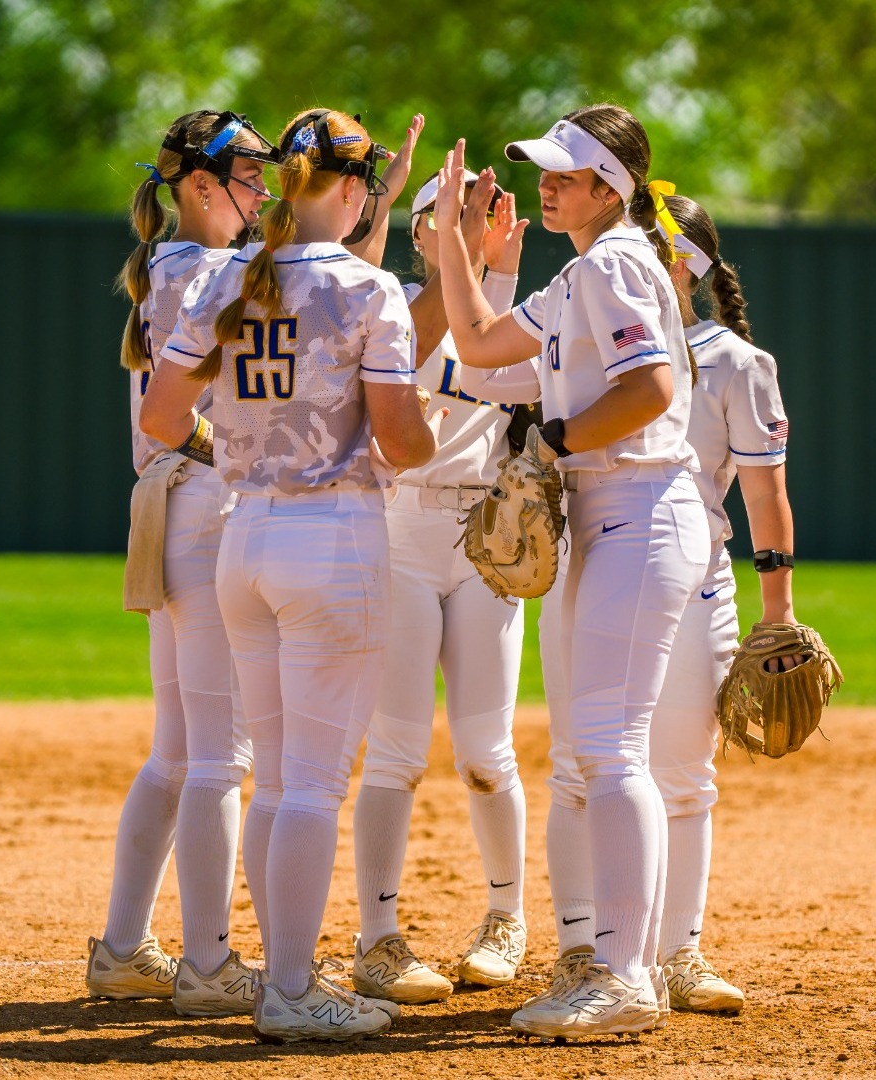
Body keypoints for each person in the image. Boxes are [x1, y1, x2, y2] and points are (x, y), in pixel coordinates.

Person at [141, 107, 438, 1044]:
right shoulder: (368, 288)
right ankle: (294, 989)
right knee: (309, 785)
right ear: (351, 190)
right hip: (332, 538)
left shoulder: (226, 273)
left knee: (272, 783)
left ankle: (281, 975)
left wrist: (241, 443)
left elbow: (158, 418)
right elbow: (399, 438)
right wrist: (429, 427)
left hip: (243, 539)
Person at [430, 104, 709, 1039]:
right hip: (603, 512)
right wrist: (457, 246)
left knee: (609, 746)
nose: (544, 184)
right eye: (543, 171)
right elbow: (473, 346)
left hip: (636, 504)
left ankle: (625, 975)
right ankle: (616, 960)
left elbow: (654, 387)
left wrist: (550, 443)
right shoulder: (582, 273)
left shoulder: (619, 260)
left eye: (562, 172)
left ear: (609, 187)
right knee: (595, 750)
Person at [88, 109, 276, 1018]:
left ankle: (125, 946)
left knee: (177, 753)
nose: (264, 189)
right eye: (248, 174)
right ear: (201, 184)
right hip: (201, 501)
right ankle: (206, 961)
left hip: (168, 502)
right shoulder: (206, 267)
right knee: (219, 758)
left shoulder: (169, 264)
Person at [349, 169, 535, 1006]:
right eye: (443, 220)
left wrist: (496, 267)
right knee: (394, 753)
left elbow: (491, 331)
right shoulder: (388, 309)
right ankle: (379, 937)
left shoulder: (498, 311)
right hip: (399, 533)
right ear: (419, 233)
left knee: (485, 755)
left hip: (483, 538)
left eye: (467, 218)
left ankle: (506, 917)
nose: (456, 228)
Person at [645, 193, 795, 1015]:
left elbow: (766, 501)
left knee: (683, 773)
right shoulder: (600, 343)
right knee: (596, 766)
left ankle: (680, 951)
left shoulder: (736, 361)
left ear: (683, 264)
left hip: (696, 579)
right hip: (598, 576)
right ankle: (598, 949)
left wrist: (778, 611)